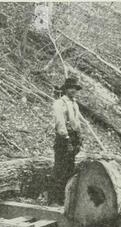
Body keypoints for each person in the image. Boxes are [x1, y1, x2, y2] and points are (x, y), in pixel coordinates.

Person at [49, 77, 87, 205]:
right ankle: (54, 199)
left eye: (75, 89)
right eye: (71, 88)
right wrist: (67, 139)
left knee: (69, 167)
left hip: (74, 137)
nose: (73, 91)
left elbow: (77, 121)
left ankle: (64, 198)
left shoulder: (74, 104)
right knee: (59, 167)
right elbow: (60, 123)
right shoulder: (59, 103)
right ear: (65, 89)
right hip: (64, 139)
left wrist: (80, 136)